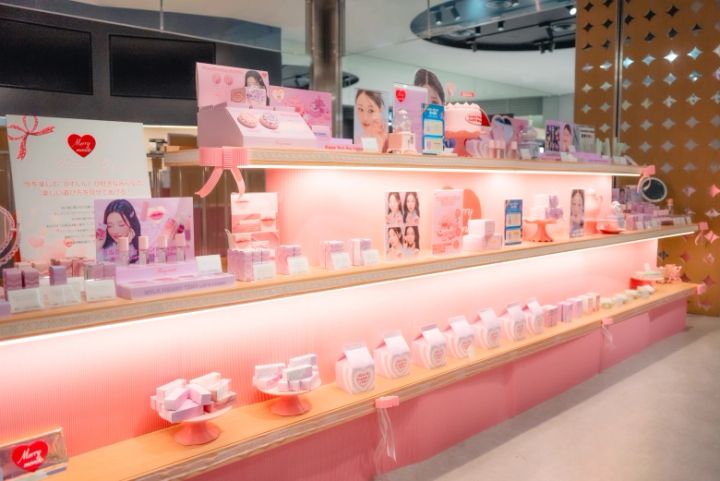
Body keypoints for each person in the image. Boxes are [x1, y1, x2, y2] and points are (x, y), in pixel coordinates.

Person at [97, 199, 141, 263]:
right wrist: (98, 246)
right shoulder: (104, 249)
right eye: (110, 226)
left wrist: (124, 247)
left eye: (121, 225)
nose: (115, 231)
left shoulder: (140, 248)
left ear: (132, 223)